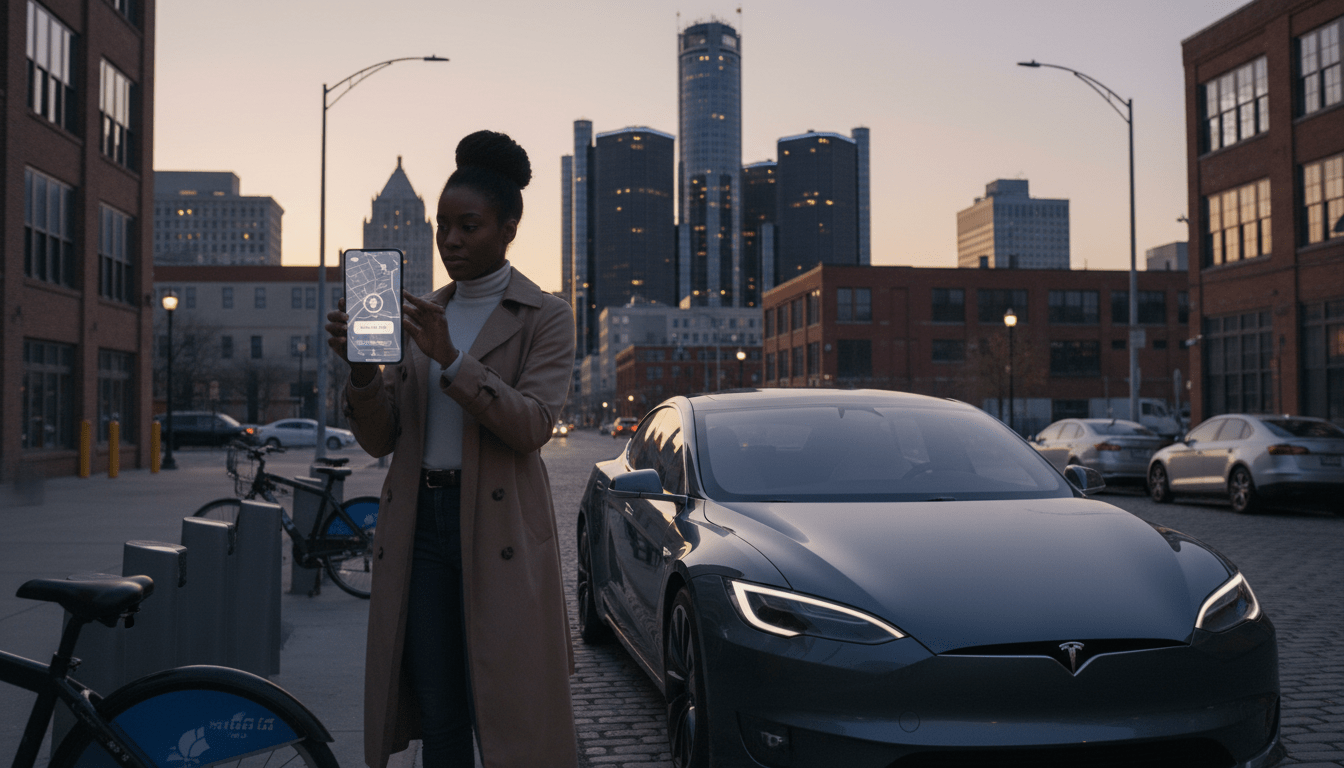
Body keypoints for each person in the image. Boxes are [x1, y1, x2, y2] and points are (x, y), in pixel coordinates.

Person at [325, 130, 578, 768]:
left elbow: (531, 427)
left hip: (500, 530)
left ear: (509, 227)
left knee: (508, 712)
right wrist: (360, 372)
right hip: (421, 529)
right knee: (440, 712)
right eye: (443, 227)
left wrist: (452, 359)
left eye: (469, 226)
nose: (451, 241)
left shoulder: (544, 315)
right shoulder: (417, 313)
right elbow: (381, 438)